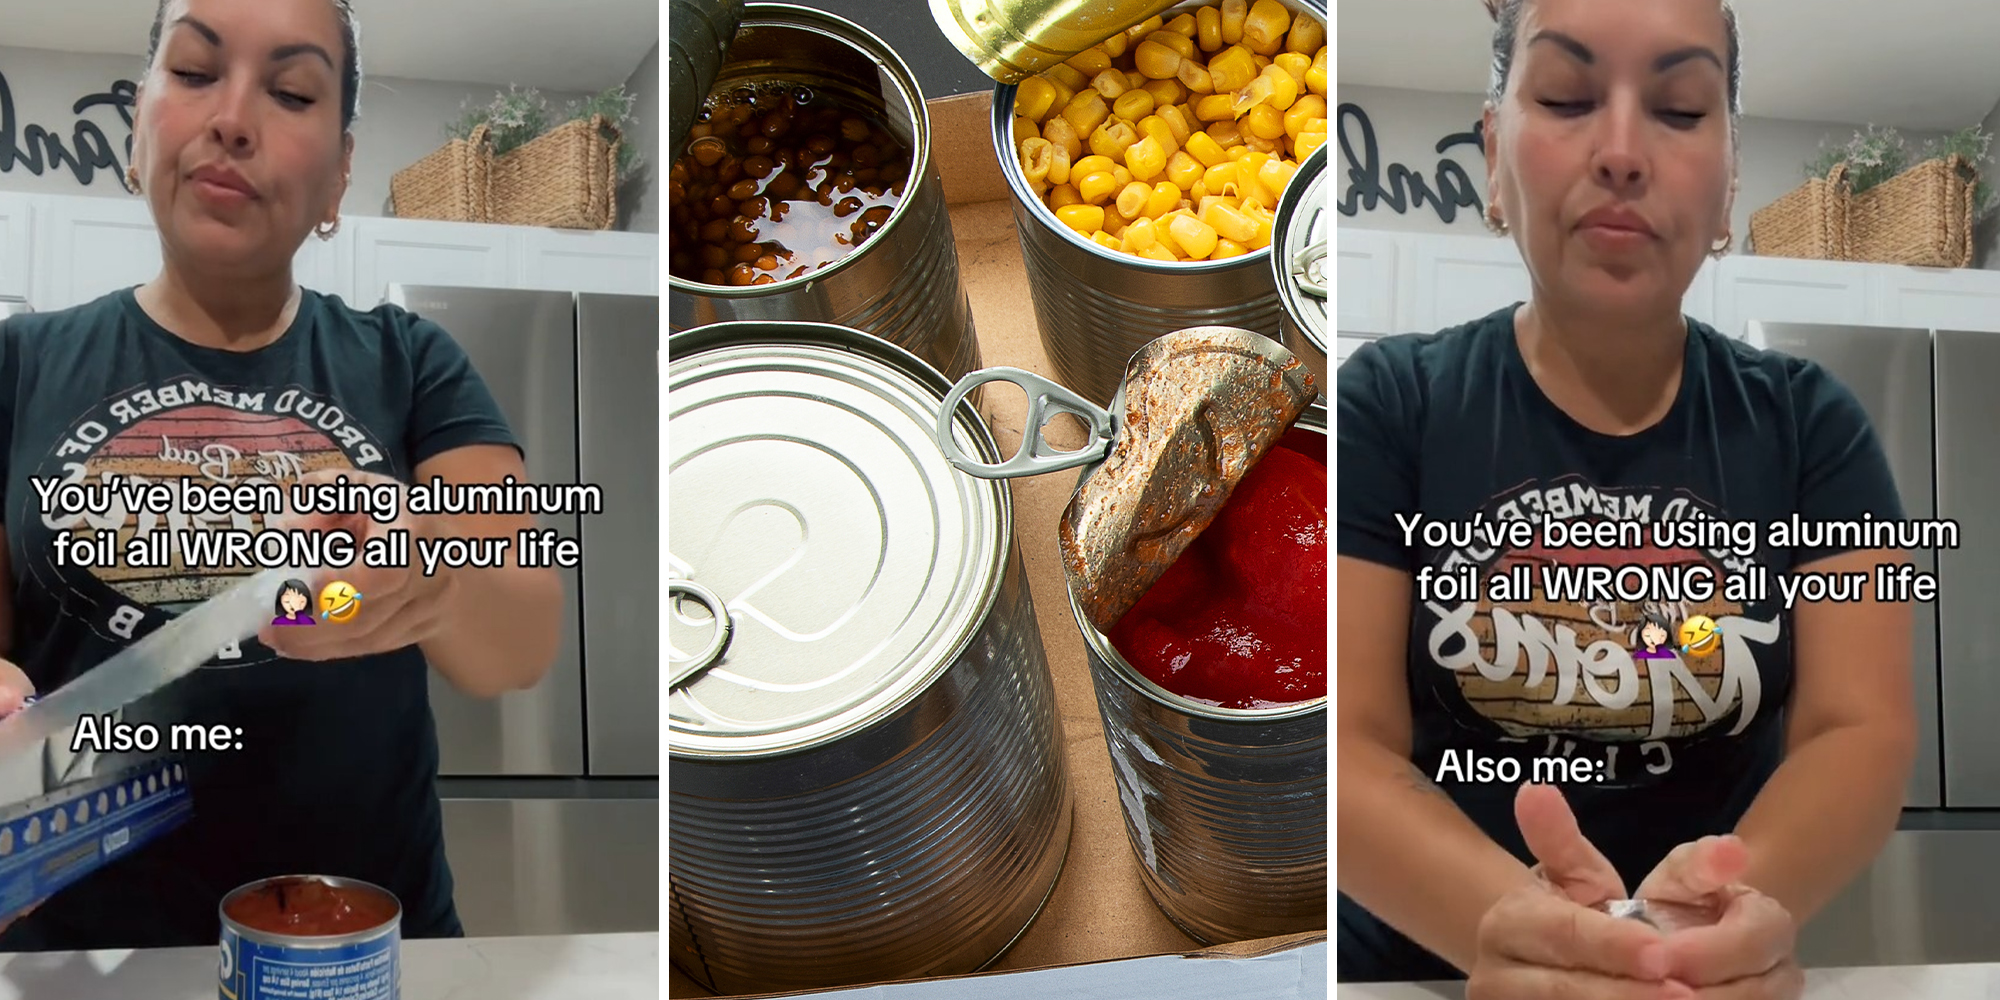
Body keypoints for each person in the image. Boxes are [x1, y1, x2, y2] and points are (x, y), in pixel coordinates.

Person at [1337, 0, 1917, 995]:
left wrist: (1691, 928)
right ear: (1491, 155)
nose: (1618, 150)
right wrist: (1511, 928)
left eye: (1679, 108)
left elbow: (1857, 728)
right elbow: (1343, 739)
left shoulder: (1814, 426)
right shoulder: (1384, 405)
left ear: (1729, 178)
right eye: (1564, 96)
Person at [0, 0, 563, 949]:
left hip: (363, 951)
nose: (232, 118)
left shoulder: (411, 361)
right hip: (78, 957)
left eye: (292, 90)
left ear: (341, 174)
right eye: (192, 73)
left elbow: (522, 640)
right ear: (138, 125)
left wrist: (436, 582)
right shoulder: (18, 365)